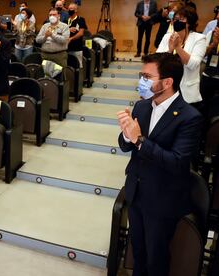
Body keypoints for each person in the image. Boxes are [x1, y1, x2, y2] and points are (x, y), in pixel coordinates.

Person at [117, 52, 203, 276]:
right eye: (141, 75)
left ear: (167, 82)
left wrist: (139, 140)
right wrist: (127, 136)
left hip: (162, 199)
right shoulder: (142, 106)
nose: (141, 81)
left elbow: (176, 162)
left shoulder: (189, 117)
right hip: (136, 191)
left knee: (156, 257)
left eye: (147, 76)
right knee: (138, 252)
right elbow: (127, 146)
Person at [156, 6, 206, 107]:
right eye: (175, 19)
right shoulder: (167, 37)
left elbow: (193, 64)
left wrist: (178, 48)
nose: (177, 22)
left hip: (187, 93)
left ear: (189, 23)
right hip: (167, 89)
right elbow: (158, 63)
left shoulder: (199, 39)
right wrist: (170, 50)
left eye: (181, 19)